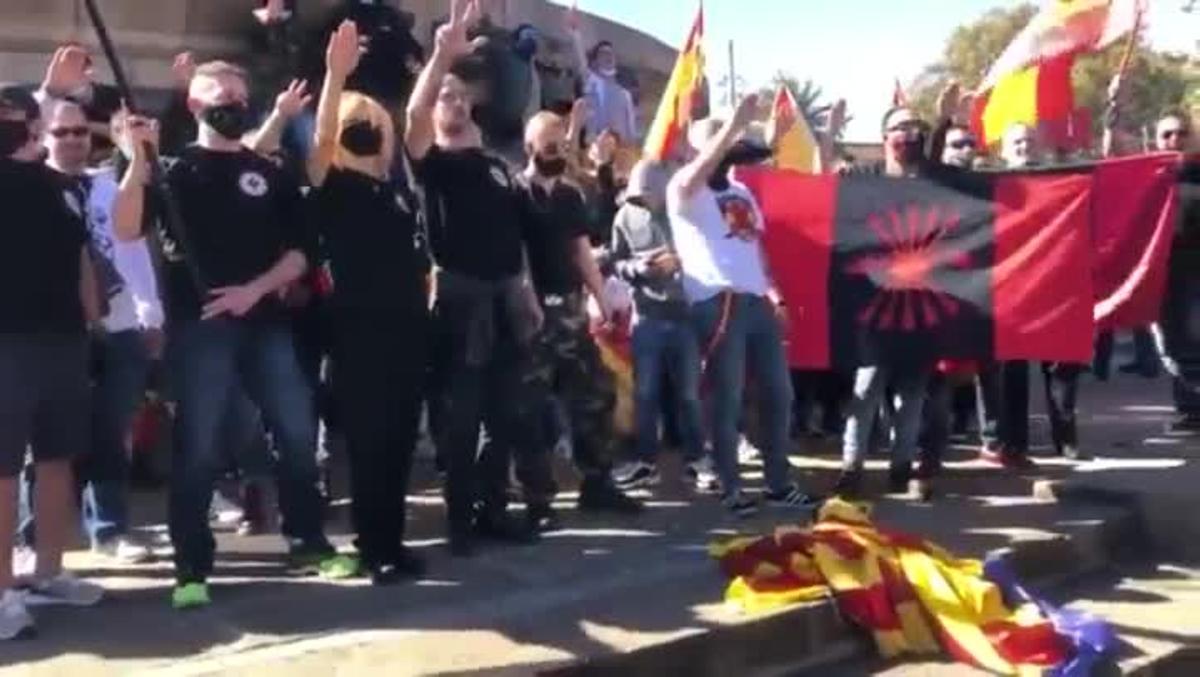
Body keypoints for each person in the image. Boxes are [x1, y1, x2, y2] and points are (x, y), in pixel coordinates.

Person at [112, 61, 358, 610]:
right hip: (200, 329)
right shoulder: (170, 170)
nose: (234, 103)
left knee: (296, 432)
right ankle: (192, 568)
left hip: (265, 322)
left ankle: (308, 541)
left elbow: (301, 252)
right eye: (221, 96)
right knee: (198, 446)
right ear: (195, 106)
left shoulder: (268, 171)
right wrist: (134, 163)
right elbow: (126, 228)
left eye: (241, 95)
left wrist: (254, 290)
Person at [405, 0, 546, 557]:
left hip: (508, 297)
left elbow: (515, 236)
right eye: (447, 96)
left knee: (505, 415)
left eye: (463, 95)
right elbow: (412, 122)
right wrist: (440, 58)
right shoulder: (431, 161)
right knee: (460, 421)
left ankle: (494, 511)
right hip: (461, 302)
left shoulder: (495, 164)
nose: (455, 102)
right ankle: (459, 522)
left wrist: (526, 289)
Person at [306, 21, 429, 584]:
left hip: (407, 330)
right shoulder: (333, 187)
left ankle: (392, 542)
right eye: (358, 128)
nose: (367, 136)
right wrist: (336, 78)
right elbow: (322, 144)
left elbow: (411, 133)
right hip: (358, 333)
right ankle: (373, 545)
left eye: (371, 128)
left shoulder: (396, 193)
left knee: (401, 440)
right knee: (371, 443)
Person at [668, 96, 817, 517]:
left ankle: (777, 482)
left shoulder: (741, 191)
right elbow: (694, 177)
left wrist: (775, 294)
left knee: (778, 393)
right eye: (721, 145)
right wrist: (732, 126)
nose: (729, 154)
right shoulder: (683, 186)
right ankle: (731, 486)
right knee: (728, 396)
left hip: (755, 300)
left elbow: (755, 249)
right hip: (717, 301)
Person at [0, 85, 105, 641]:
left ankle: (48, 571)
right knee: (1, 468)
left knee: (58, 457)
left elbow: (81, 254)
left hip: (63, 338)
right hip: (7, 341)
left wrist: (92, 317)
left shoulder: (62, 187)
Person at [39, 100, 162, 563]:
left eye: (79, 132)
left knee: (111, 432)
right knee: (48, 440)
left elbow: (135, 251)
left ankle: (109, 529)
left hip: (122, 324)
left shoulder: (109, 186)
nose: (72, 139)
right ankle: (36, 539)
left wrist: (153, 312)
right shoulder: (35, 187)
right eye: (61, 132)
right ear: (43, 136)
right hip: (59, 329)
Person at [517, 111, 643, 523]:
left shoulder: (571, 196)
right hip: (532, 315)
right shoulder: (515, 193)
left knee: (595, 398)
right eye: (549, 145)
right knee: (532, 411)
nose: (557, 151)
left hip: (571, 311)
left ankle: (597, 484)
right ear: (530, 147)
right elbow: (514, 256)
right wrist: (528, 298)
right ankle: (538, 500)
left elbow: (581, 250)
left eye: (562, 144)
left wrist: (603, 299)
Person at [833, 105, 940, 498]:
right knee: (866, 391)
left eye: (917, 127)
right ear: (884, 137)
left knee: (911, 395)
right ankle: (851, 468)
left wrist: (942, 121)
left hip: (922, 305)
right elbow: (821, 190)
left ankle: (901, 467)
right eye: (901, 128)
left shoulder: (933, 180)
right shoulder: (864, 178)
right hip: (874, 308)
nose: (910, 135)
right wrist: (828, 137)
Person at [982, 123, 1088, 464]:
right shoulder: (991, 185)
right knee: (1011, 369)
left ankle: (1066, 438)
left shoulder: (1056, 180)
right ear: (1004, 150)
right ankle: (1014, 442)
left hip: (1054, 284)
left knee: (1061, 368)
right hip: (1011, 288)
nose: (1024, 147)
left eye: (1029, 141)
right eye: (1017, 142)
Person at [609, 160, 714, 493]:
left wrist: (681, 263)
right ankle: (645, 462)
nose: (646, 201)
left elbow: (709, 253)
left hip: (684, 316)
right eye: (640, 195)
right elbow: (616, 262)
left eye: (650, 194)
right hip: (647, 317)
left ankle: (698, 458)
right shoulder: (625, 216)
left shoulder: (687, 212)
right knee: (645, 393)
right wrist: (641, 267)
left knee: (689, 395)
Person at [1152, 111, 1200, 432]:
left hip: (1196, 268)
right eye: (1167, 134)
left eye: (1181, 133)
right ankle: (1189, 408)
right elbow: (1107, 167)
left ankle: (1195, 411)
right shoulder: (1149, 174)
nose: (1174, 140)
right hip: (1162, 271)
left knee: (1195, 339)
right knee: (1170, 344)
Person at [565, 6, 638, 145]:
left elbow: (631, 131)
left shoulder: (625, 95)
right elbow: (581, 58)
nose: (608, 56)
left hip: (618, 153)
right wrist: (575, 32)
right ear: (596, 61)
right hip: (593, 148)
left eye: (611, 53)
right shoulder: (591, 83)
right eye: (603, 53)